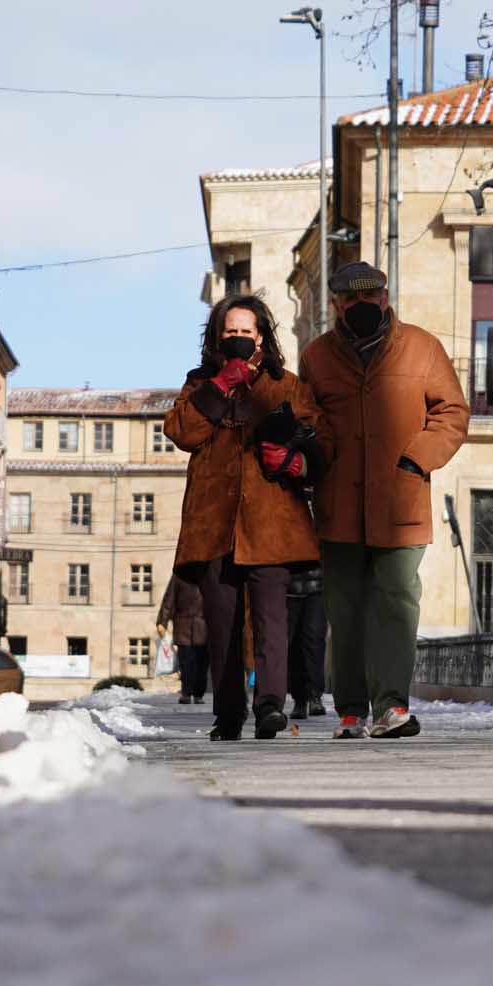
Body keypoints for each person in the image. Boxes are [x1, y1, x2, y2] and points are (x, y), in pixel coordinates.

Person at [300, 261, 470, 739]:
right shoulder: (316, 356)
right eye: (351, 299)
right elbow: (308, 417)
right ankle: (351, 712)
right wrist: (317, 455)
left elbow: (452, 412)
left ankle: (392, 706)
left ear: (385, 297)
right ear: (336, 304)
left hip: (401, 503)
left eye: (370, 296)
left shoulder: (422, 347)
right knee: (345, 611)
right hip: (339, 505)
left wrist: (416, 460)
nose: (362, 305)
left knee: (396, 602)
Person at [164, 295, 327, 741]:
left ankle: (270, 705)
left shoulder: (285, 385)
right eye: (230, 332)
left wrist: (296, 460)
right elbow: (181, 432)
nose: (238, 339)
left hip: (272, 520)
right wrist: (220, 385)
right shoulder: (200, 383)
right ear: (217, 337)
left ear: (261, 337)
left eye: (246, 332)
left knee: (271, 619)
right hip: (213, 522)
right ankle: (228, 714)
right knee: (223, 624)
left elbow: (321, 441)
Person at [156, 574, 209, 706]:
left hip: (205, 627)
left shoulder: (209, 574)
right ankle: (186, 693)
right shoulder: (179, 575)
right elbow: (169, 600)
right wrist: (162, 622)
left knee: (202, 665)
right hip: (183, 626)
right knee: (186, 663)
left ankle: (198, 694)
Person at [285, 565, 329, 719]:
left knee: (314, 639)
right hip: (289, 586)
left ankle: (315, 695)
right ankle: (299, 699)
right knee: (293, 643)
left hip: (318, 585)